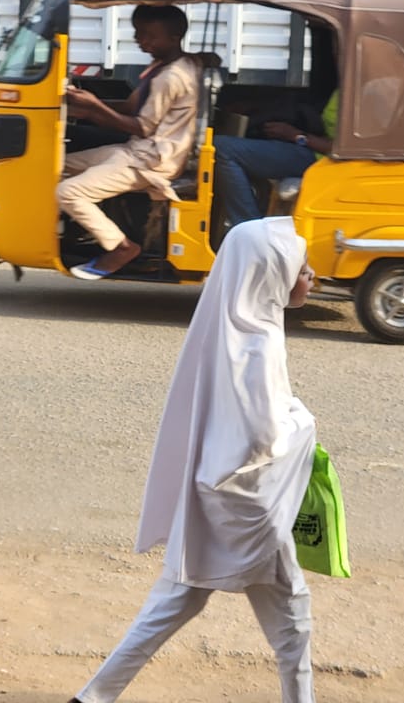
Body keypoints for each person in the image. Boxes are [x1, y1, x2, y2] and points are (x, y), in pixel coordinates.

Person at [67, 216, 318, 703]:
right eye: (301, 269)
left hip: (210, 495)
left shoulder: (223, 330)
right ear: (272, 275)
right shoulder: (259, 343)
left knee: (174, 603)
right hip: (248, 510)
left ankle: (92, 698)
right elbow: (263, 437)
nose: (311, 278)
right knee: (293, 620)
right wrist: (304, 421)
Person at [57, 5, 201, 280]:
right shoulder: (165, 65)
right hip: (137, 151)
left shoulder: (170, 77)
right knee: (53, 166)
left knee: (68, 192)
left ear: (174, 38)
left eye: (149, 36)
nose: (141, 41)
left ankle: (121, 247)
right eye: (138, 33)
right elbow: (132, 106)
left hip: (151, 160)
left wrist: (94, 107)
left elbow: (141, 126)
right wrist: (87, 107)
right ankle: (71, 233)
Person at [214, 90, 338, 227]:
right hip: (309, 148)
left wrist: (295, 135)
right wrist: (254, 106)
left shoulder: (354, 93)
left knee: (223, 149)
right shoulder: (340, 91)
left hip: (324, 161)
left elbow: (342, 148)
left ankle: (250, 227)